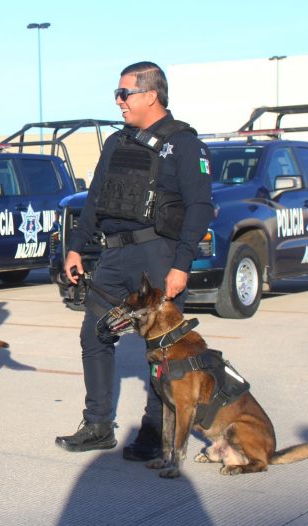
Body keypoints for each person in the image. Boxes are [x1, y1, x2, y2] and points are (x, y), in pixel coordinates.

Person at [55, 62, 214, 457]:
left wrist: (182, 264)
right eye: (118, 93)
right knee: (95, 333)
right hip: (114, 254)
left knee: (162, 351)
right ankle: (97, 426)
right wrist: (76, 246)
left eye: (124, 93)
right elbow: (95, 199)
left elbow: (200, 207)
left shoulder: (185, 144)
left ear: (151, 95)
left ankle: (154, 431)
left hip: (157, 255)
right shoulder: (116, 142)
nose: (118, 100)